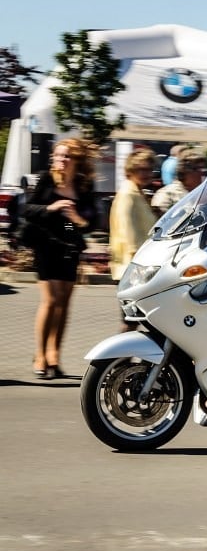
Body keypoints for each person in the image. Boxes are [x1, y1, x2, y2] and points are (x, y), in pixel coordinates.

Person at [21, 138, 98, 379]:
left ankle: (55, 353)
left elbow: (92, 222)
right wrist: (50, 208)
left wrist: (77, 218)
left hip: (69, 248)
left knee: (64, 303)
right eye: (58, 155)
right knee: (51, 300)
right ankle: (41, 354)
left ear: (76, 160)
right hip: (45, 245)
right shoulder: (46, 179)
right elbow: (27, 209)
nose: (61, 160)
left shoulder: (83, 185)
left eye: (67, 156)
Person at [110, 148, 159, 331]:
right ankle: (116, 359)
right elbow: (127, 233)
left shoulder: (138, 193)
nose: (146, 173)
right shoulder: (127, 195)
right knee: (131, 321)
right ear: (130, 170)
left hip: (139, 269)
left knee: (134, 321)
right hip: (133, 270)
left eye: (149, 169)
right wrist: (139, 266)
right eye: (141, 169)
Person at [150, 150, 207, 215]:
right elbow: (161, 221)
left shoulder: (205, 194)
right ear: (185, 171)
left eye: (204, 169)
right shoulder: (167, 195)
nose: (203, 173)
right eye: (199, 169)